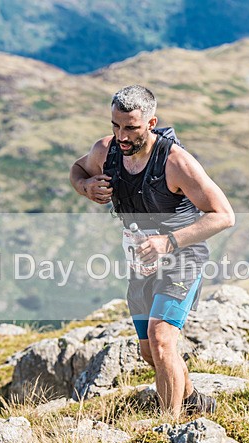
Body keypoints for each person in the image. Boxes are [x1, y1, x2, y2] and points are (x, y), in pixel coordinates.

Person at [69, 85, 235, 418]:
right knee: (150, 353)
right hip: (140, 262)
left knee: (162, 341)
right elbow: (78, 169)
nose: (121, 135)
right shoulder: (106, 150)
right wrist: (86, 187)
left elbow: (224, 215)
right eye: (116, 125)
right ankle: (195, 403)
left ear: (151, 122)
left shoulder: (176, 162)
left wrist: (168, 242)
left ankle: (168, 428)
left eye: (130, 127)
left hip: (182, 258)